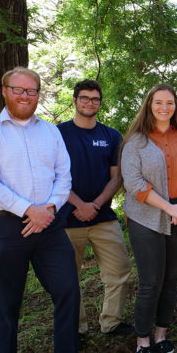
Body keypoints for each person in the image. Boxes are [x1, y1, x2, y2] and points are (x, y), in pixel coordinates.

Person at [0, 67, 98, 353]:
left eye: (32, 91)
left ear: (39, 94)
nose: (25, 97)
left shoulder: (51, 133)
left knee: (68, 288)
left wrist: (49, 210)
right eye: (18, 90)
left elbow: (63, 176)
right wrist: (29, 210)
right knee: (8, 301)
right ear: (4, 91)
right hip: (6, 226)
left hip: (50, 226)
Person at [120, 84, 177, 353]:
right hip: (147, 218)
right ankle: (143, 341)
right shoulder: (136, 142)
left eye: (170, 103)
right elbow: (133, 184)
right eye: (158, 102)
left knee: (171, 279)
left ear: (176, 106)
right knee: (150, 281)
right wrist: (168, 206)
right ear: (149, 105)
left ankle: (161, 335)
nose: (164, 108)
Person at [58, 80, 133, 337]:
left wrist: (96, 205)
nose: (90, 103)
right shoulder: (57, 133)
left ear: (100, 103)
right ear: (75, 100)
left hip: (103, 218)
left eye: (95, 99)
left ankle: (111, 323)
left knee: (119, 271)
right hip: (67, 219)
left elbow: (117, 176)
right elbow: (51, 177)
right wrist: (79, 204)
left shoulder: (111, 136)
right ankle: (76, 329)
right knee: (68, 277)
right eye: (85, 98)